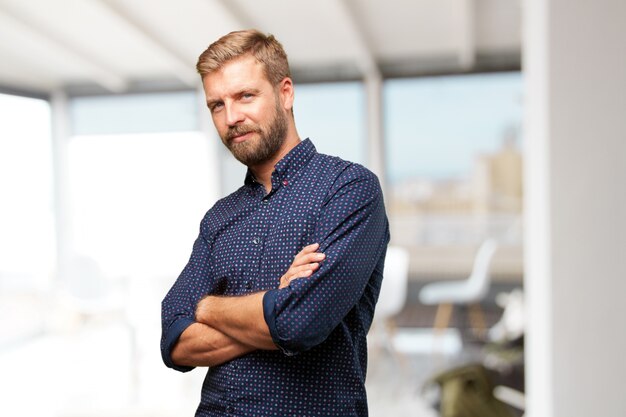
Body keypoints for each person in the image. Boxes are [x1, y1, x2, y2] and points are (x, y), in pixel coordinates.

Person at [161, 29, 390, 417]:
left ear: (285, 93)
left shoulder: (349, 189)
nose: (231, 117)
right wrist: (274, 303)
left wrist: (208, 309)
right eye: (217, 105)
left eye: (245, 96)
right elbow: (175, 344)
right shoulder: (219, 218)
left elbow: (300, 325)